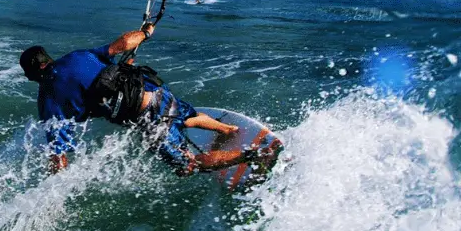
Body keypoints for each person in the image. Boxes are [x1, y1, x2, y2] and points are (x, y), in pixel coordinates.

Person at [19, 24, 280, 176]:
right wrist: (144, 32)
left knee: (187, 165)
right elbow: (122, 43)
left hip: (146, 115)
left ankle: (256, 154)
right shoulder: (77, 57)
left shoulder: (48, 100)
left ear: (33, 73)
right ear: (47, 59)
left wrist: (55, 184)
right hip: (155, 91)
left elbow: (59, 153)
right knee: (185, 115)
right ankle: (228, 129)